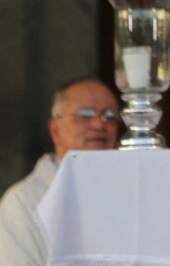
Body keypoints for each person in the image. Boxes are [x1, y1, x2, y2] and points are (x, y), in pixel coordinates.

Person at [0, 78, 120, 266]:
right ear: (55, 130)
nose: (99, 124)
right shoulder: (23, 202)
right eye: (85, 114)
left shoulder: (130, 193)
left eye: (109, 116)